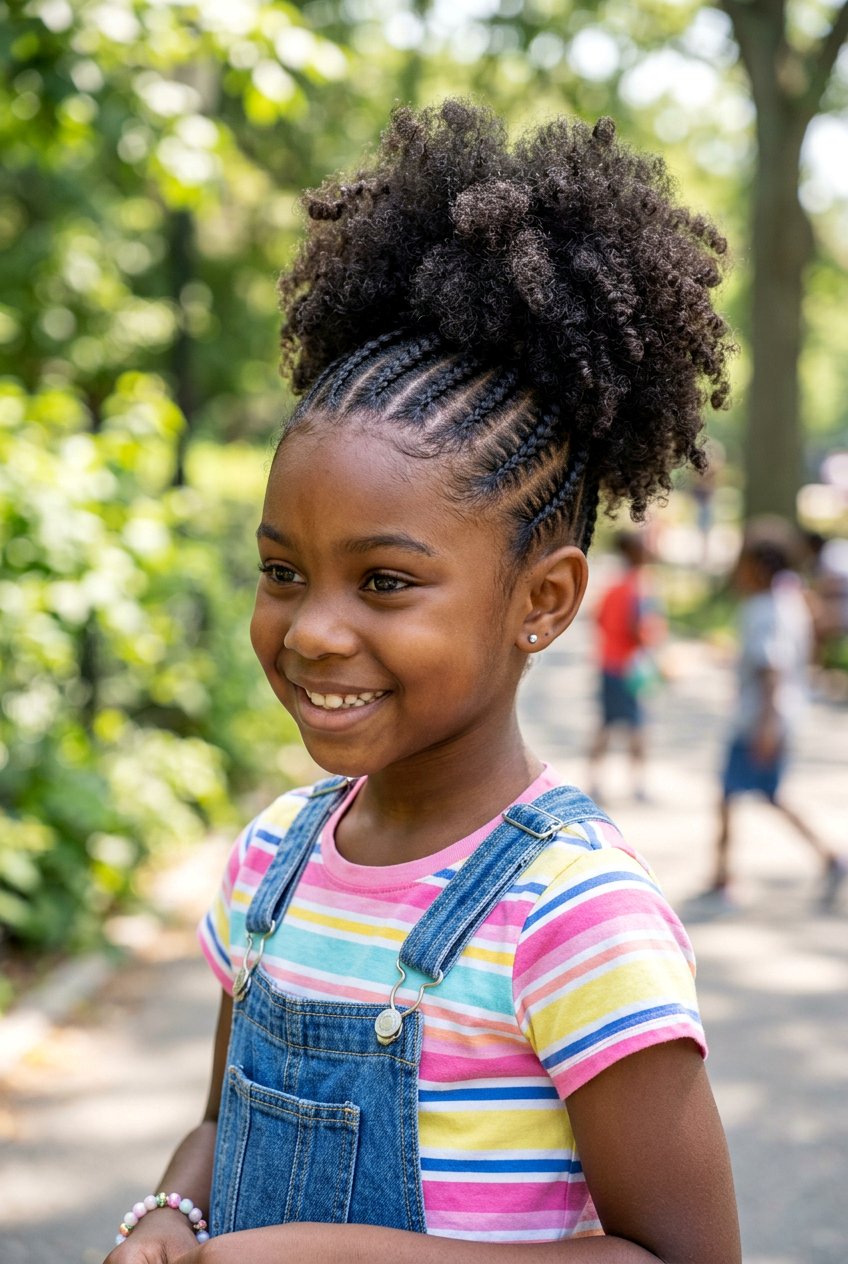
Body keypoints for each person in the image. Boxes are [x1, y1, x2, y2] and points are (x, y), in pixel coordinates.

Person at [104, 101, 741, 1263]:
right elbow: (217, 1123)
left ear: (541, 601)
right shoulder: (270, 864)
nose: (311, 630)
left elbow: (684, 1255)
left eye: (385, 583)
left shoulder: (574, 917)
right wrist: (169, 1213)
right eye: (281, 572)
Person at [709, 521, 846, 907]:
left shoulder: (763, 610)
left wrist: (767, 726)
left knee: (740, 795)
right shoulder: (789, 602)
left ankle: (727, 876)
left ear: (758, 568)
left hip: (757, 720)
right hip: (772, 717)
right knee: (753, 795)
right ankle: (723, 870)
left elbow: (772, 671)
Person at [587, 532, 665, 802]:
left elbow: (596, 618)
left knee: (606, 723)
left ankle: (595, 781)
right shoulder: (639, 587)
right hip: (631, 668)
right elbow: (640, 628)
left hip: (608, 662)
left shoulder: (612, 586)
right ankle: (638, 785)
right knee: (637, 726)